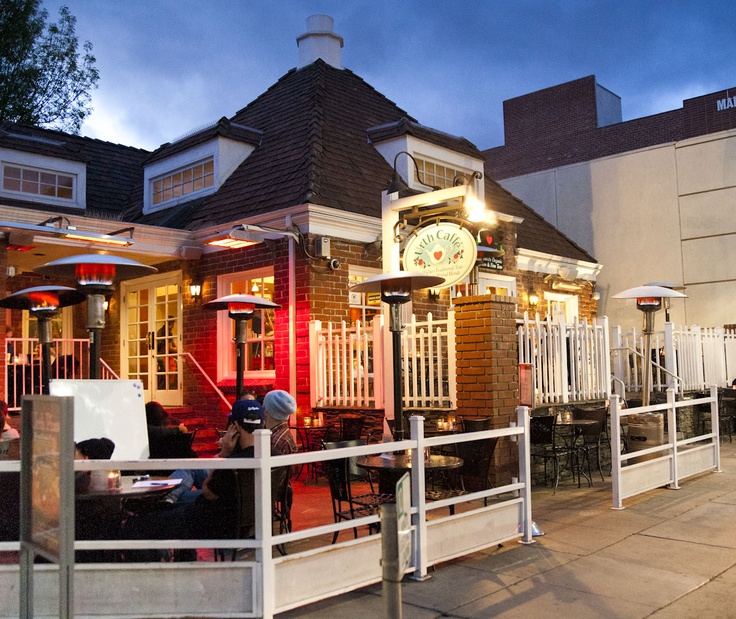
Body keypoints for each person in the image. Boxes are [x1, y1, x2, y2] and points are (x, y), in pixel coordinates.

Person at [122, 399, 265, 561]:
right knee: (164, 510)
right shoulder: (272, 456)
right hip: (236, 522)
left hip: (209, 522)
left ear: (236, 427)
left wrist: (224, 453)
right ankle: (185, 559)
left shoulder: (232, 463)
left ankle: (150, 571)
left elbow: (207, 491)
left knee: (136, 525)